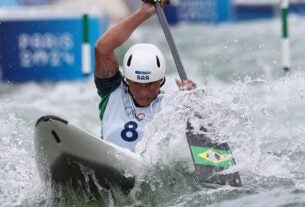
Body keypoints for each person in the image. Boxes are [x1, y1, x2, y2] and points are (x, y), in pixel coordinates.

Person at [94, 0, 196, 151]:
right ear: (127, 80)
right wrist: (144, 13)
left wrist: (192, 101)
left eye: (150, 84)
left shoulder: (170, 107)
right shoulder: (112, 91)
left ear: (161, 80)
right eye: (137, 84)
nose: (144, 93)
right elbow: (102, 48)